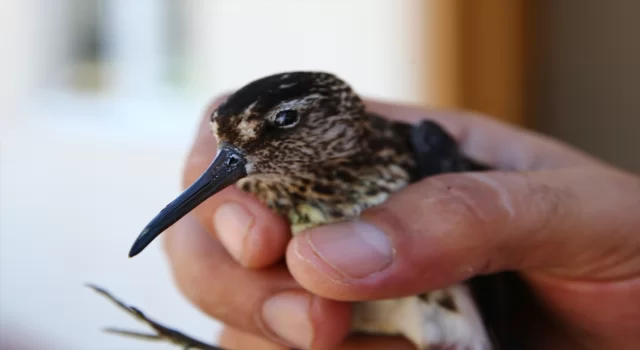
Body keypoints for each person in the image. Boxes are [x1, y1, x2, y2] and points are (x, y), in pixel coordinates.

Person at [163, 96, 640, 350]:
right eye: (225, 144)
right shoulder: (258, 186)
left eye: (284, 120)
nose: (226, 167)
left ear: (336, 113)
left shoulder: (416, 146)